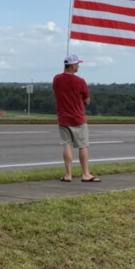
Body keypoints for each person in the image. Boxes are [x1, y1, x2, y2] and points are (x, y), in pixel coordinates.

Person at [53, 54, 99, 182]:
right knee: (83, 145)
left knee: (66, 145)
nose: (78, 66)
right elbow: (87, 100)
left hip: (63, 117)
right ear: (72, 66)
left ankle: (68, 174)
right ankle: (85, 173)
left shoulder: (56, 79)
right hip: (78, 118)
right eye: (77, 64)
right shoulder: (80, 81)